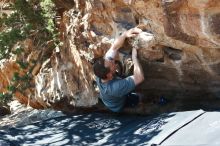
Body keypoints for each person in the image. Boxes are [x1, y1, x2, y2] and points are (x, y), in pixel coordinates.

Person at [93, 27, 145, 112]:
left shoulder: (100, 72)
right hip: (118, 105)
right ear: (109, 74)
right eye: (112, 64)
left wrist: (125, 34)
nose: (113, 61)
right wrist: (134, 57)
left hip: (110, 99)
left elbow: (114, 47)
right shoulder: (114, 88)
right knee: (141, 96)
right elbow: (139, 78)